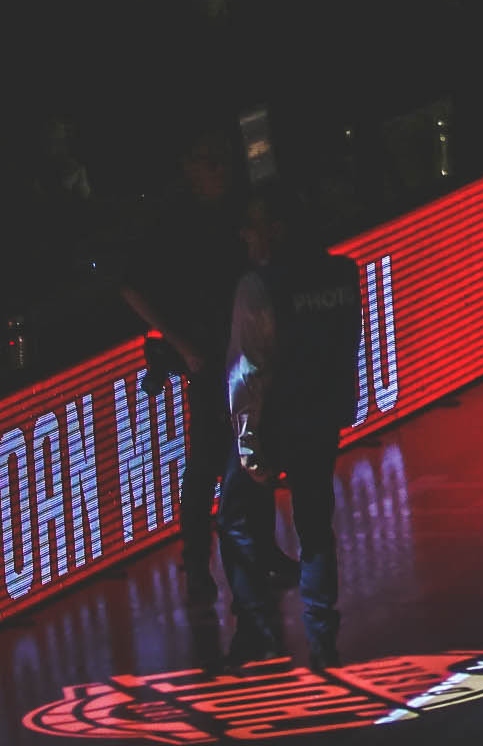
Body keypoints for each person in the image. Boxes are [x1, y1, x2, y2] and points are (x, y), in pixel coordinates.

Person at [115, 128, 282, 665]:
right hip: (209, 360)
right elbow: (130, 284)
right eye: (210, 162)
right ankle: (196, 564)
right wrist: (181, 344)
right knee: (210, 459)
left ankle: (260, 553)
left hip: (244, 352)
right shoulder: (170, 222)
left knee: (251, 452)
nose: (222, 170)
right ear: (190, 166)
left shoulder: (235, 206)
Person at [217, 189, 363, 670]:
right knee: (316, 527)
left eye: (253, 224)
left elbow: (248, 371)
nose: (244, 234)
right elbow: (348, 345)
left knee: (235, 518)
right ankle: (323, 639)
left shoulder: (259, 286)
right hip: (322, 420)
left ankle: (255, 631)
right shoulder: (343, 274)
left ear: (276, 228)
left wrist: (248, 444)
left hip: (275, 424)